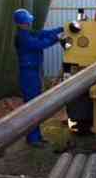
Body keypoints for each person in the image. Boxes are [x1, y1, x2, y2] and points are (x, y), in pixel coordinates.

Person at [13, 8, 64, 147]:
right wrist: (57, 38)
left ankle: (37, 136)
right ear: (23, 23)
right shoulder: (23, 37)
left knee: (36, 106)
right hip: (28, 74)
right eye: (28, 21)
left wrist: (61, 29)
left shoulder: (27, 33)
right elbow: (39, 44)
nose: (30, 23)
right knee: (32, 107)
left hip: (34, 72)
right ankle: (33, 139)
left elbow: (43, 33)